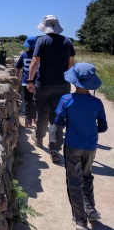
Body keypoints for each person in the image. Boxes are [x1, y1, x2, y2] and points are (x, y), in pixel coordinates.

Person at [54, 63, 108, 230]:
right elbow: (103, 127)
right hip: (90, 146)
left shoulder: (66, 100)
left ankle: (80, 219)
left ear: (73, 81)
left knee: (74, 180)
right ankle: (91, 209)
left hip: (72, 145)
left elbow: (58, 122)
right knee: (87, 175)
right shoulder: (97, 103)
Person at [27, 15, 75, 164]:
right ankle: (55, 150)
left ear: (44, 26)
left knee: (42, 114)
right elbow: (71, 65)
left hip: (44, 84)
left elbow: (35, 61)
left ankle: (39, 139)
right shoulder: (67, 42)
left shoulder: (42, 40)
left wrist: (30, 80)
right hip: (62, 85)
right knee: (56, 117)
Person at [15, 36, 38, 127]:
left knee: (28, 101)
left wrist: (16, 77)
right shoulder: (39, 56)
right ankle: (35, 119)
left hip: (26, 81)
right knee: (36, 100)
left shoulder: (24, 55)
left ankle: (28, 121)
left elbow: (18, 67)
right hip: (37, 81)